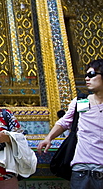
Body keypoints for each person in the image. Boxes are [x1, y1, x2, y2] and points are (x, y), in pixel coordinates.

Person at [37, 59, 103, 189]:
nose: (86, 79)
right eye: (85, 75)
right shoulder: (83, 102)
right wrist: (49, 137)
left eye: (91, 75)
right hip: (82, 170)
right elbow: (65, 122)